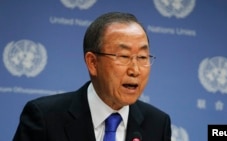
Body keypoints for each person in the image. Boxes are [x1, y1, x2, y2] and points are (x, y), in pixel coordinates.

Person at [13, 11, 172, 141]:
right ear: (93, 63)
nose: (135, 70)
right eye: (124, 56)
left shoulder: (157, 124)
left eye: (143, 57)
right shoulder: (45, 118)